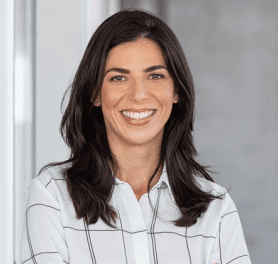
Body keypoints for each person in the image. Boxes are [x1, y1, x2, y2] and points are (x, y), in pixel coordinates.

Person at [20, 9, 252, 264]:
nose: (139, 94)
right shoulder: (51, 197)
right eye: (118, 78)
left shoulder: (216, 209)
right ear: (96, 94)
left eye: (155, 76)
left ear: (176, 91)